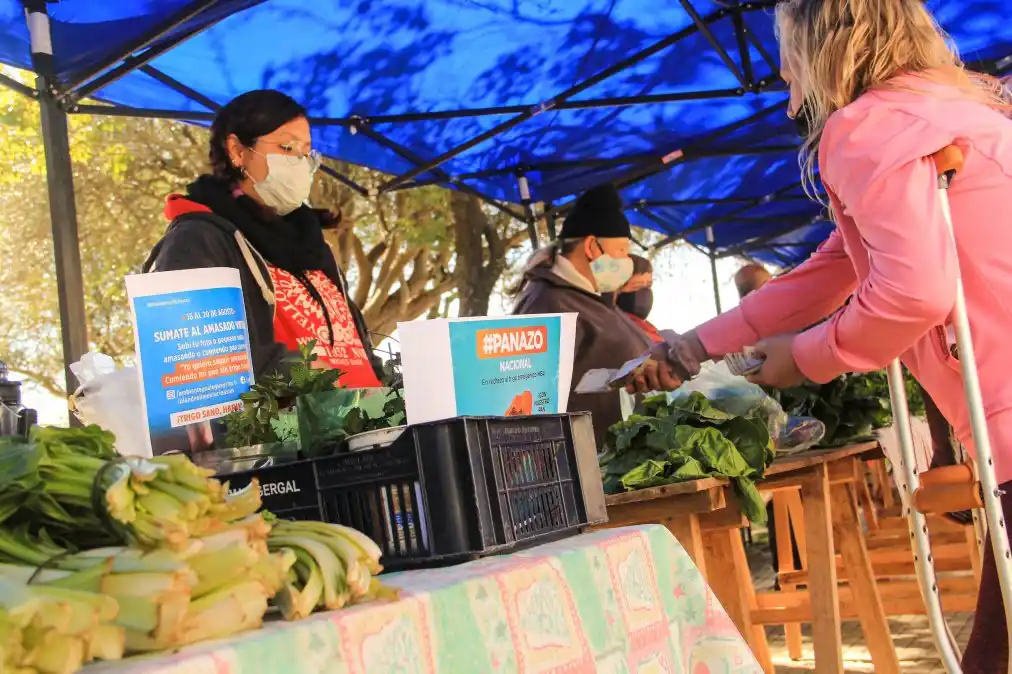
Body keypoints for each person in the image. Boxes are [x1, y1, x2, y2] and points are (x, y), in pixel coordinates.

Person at [631, 1, 1012, 669]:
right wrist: (694, 346)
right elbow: (834, 266)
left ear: (818, 45)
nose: (781, 68)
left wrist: (808, 356)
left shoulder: (868, 126)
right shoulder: (946, 111)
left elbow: (914, 289)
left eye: (785, 46)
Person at [144, 90, 384, 451]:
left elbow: (355, 352)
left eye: (307, 153)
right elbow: (207, 372)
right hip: (283, 461)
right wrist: (321, 392)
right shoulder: (198, 240)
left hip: (365, 443)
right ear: (237, 150)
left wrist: (387, 400)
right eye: (287, 149)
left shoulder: (314, 247)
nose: (301, 164)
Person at [512, 184, 654, 447]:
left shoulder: (590, 298)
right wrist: (620, 376)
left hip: (616, 456)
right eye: (622, 251)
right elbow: (540, 392)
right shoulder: (548, 303)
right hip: (585, 460)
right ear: (592, 247)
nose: (627, 261)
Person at [615, 255, 663, 343]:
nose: (644, 293)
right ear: (616, 290)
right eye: (637, 287)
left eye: (648, 286)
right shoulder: (612, 325)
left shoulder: (650, 329)